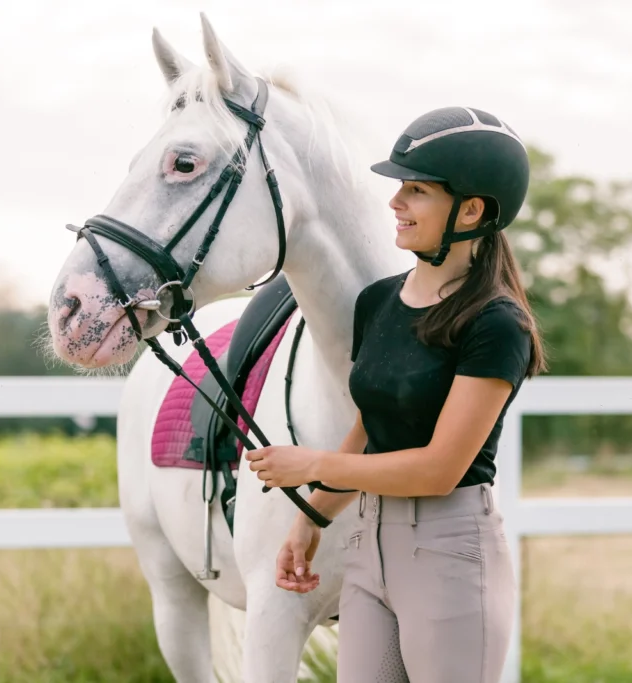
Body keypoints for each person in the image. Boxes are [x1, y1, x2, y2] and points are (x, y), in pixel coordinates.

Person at [244, 105, 547, 683]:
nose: (395, 202)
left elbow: (439, 469)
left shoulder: (496, 324)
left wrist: (312, 464)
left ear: (471, 211)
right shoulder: (378, 302)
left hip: (450, 554)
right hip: (368, 548)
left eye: (416, 190)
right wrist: (311, 518)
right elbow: (370, 428)